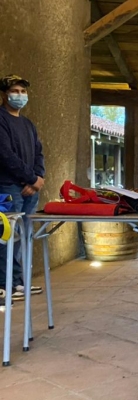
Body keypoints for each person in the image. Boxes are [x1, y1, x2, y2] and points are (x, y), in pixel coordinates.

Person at [0, 74, 45, 301]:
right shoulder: (1, 120)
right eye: (15, 91)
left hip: (28, 188)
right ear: (4, 94)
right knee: (5, 237)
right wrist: (29, 178)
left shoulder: (28, 124)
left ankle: (18, 284)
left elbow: (38, 153)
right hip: (8, 188)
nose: (19, 95)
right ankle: (3, 286)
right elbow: (5, 155)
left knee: (23, 238)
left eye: (23, 92)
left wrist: (38, 178)